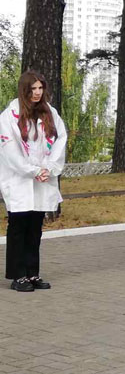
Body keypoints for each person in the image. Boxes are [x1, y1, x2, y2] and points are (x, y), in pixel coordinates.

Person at [0, 71, 67, 292]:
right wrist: (32, 171)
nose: (37, 93)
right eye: (33, 89)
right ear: (24, 90)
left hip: (42, 179)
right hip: (19, 179)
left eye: (40, 88)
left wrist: (49, 168)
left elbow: (60, 138)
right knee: (18, 226)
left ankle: (32, 272)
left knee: (35, 228)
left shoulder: (50, 113)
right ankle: (17, 275)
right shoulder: (9, 116)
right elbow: (9, 150)